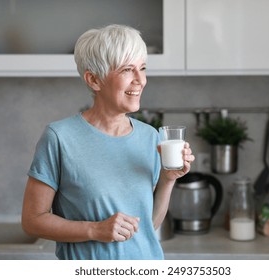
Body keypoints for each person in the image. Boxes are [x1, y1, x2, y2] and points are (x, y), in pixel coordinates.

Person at [21, 24, 195, 260]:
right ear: (94, 80)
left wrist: (167, 180)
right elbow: (33, 221)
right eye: (127, 70)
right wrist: (95, 229)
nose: (140, 80)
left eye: (142, 68)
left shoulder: (150, 137)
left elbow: (147, 225)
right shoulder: (59, 137)